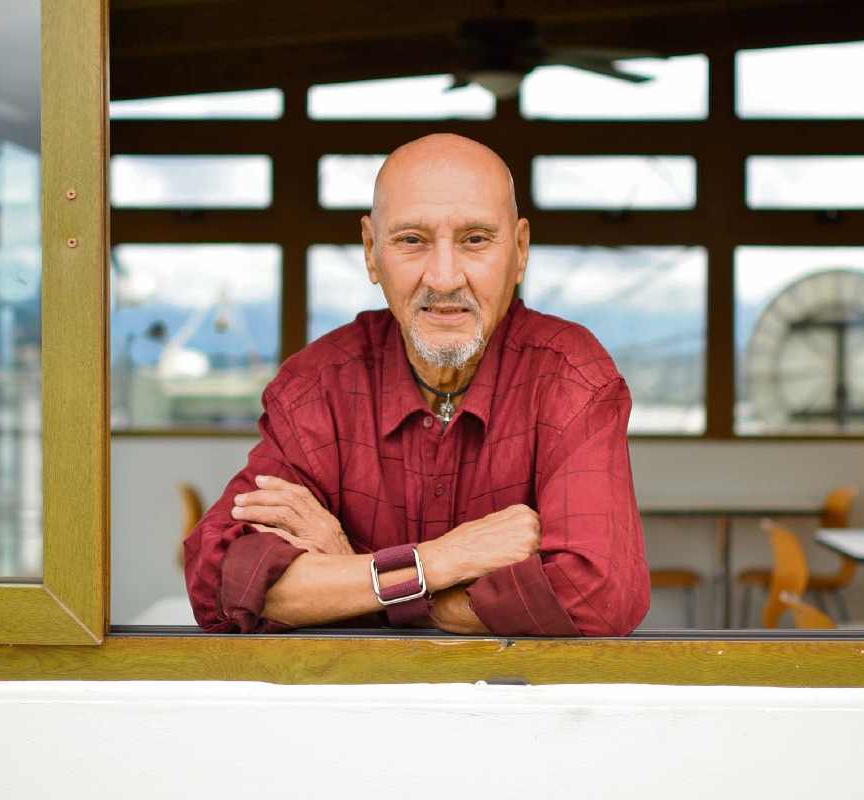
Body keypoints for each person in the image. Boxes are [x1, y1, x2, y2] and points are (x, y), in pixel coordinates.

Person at [184, 133, 649, 636]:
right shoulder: (320, 384)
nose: (445, 278)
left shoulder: (569, 376)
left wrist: (359, 584)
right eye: (411, 240)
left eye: (475, 239)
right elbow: (224, 585)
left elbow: (595, 597)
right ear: (370, 251)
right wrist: (444, 560)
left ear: (518, 251)